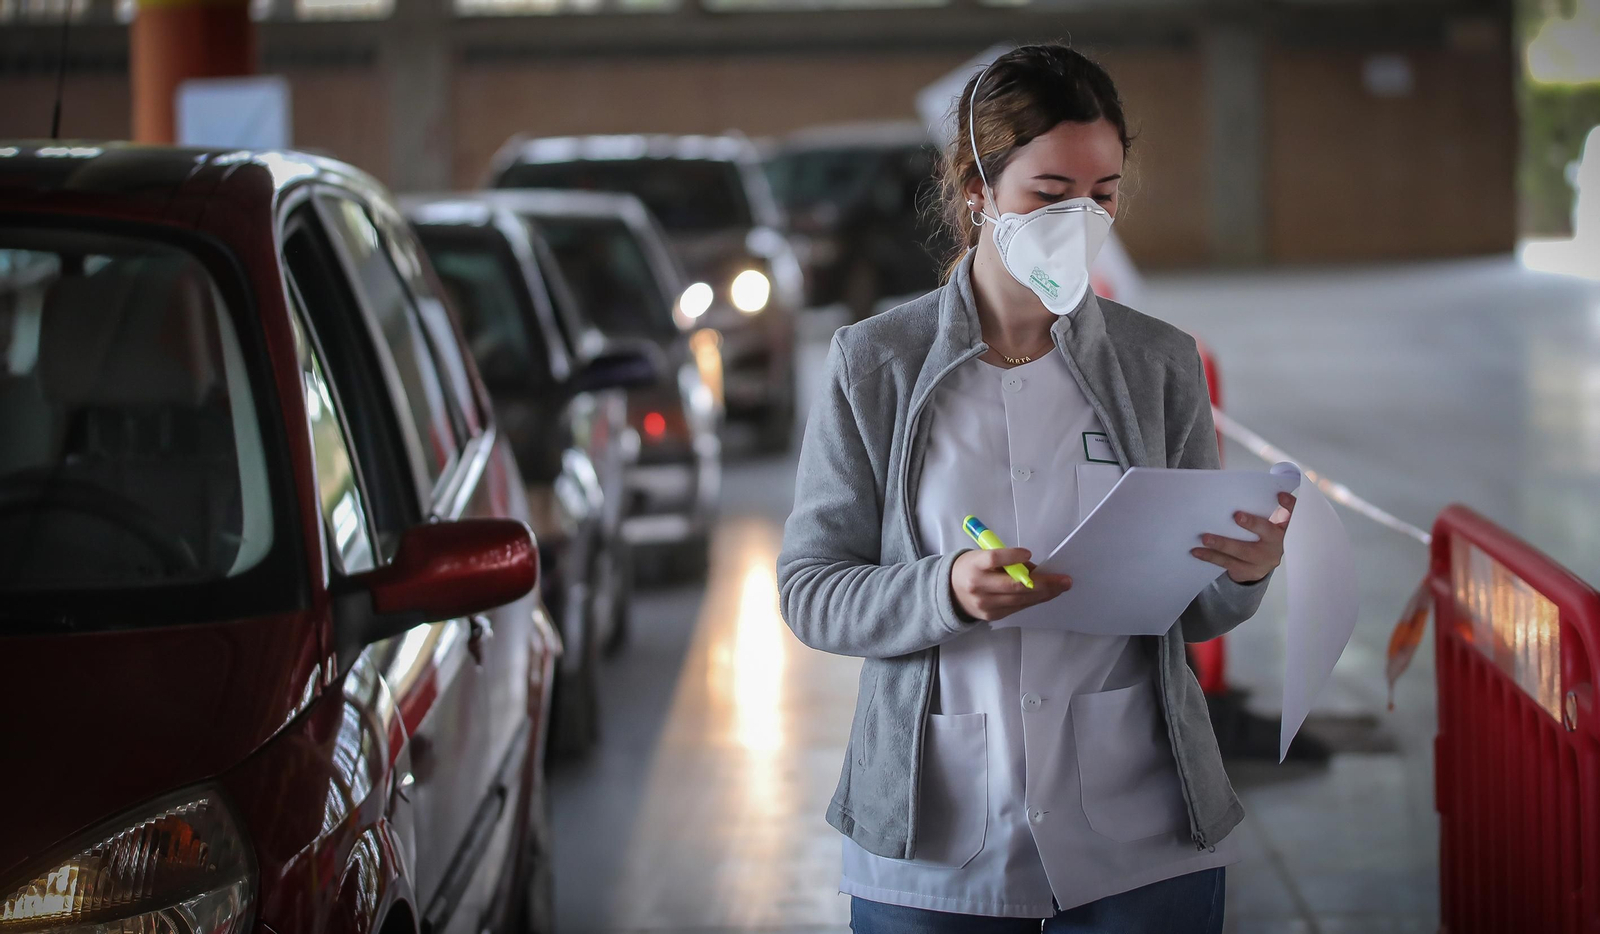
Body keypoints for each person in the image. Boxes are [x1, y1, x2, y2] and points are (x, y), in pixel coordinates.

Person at [777, 44, 1295, 933]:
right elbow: (812, 591)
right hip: (938, 846)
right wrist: (943, 589)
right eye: (1050, 194)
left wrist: (1243, 572)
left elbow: (1197, 613)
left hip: (1143, 834)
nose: (1080, 220)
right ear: (977, 191)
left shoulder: (1158, 362)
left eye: (1103, 193)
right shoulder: (875, 366)